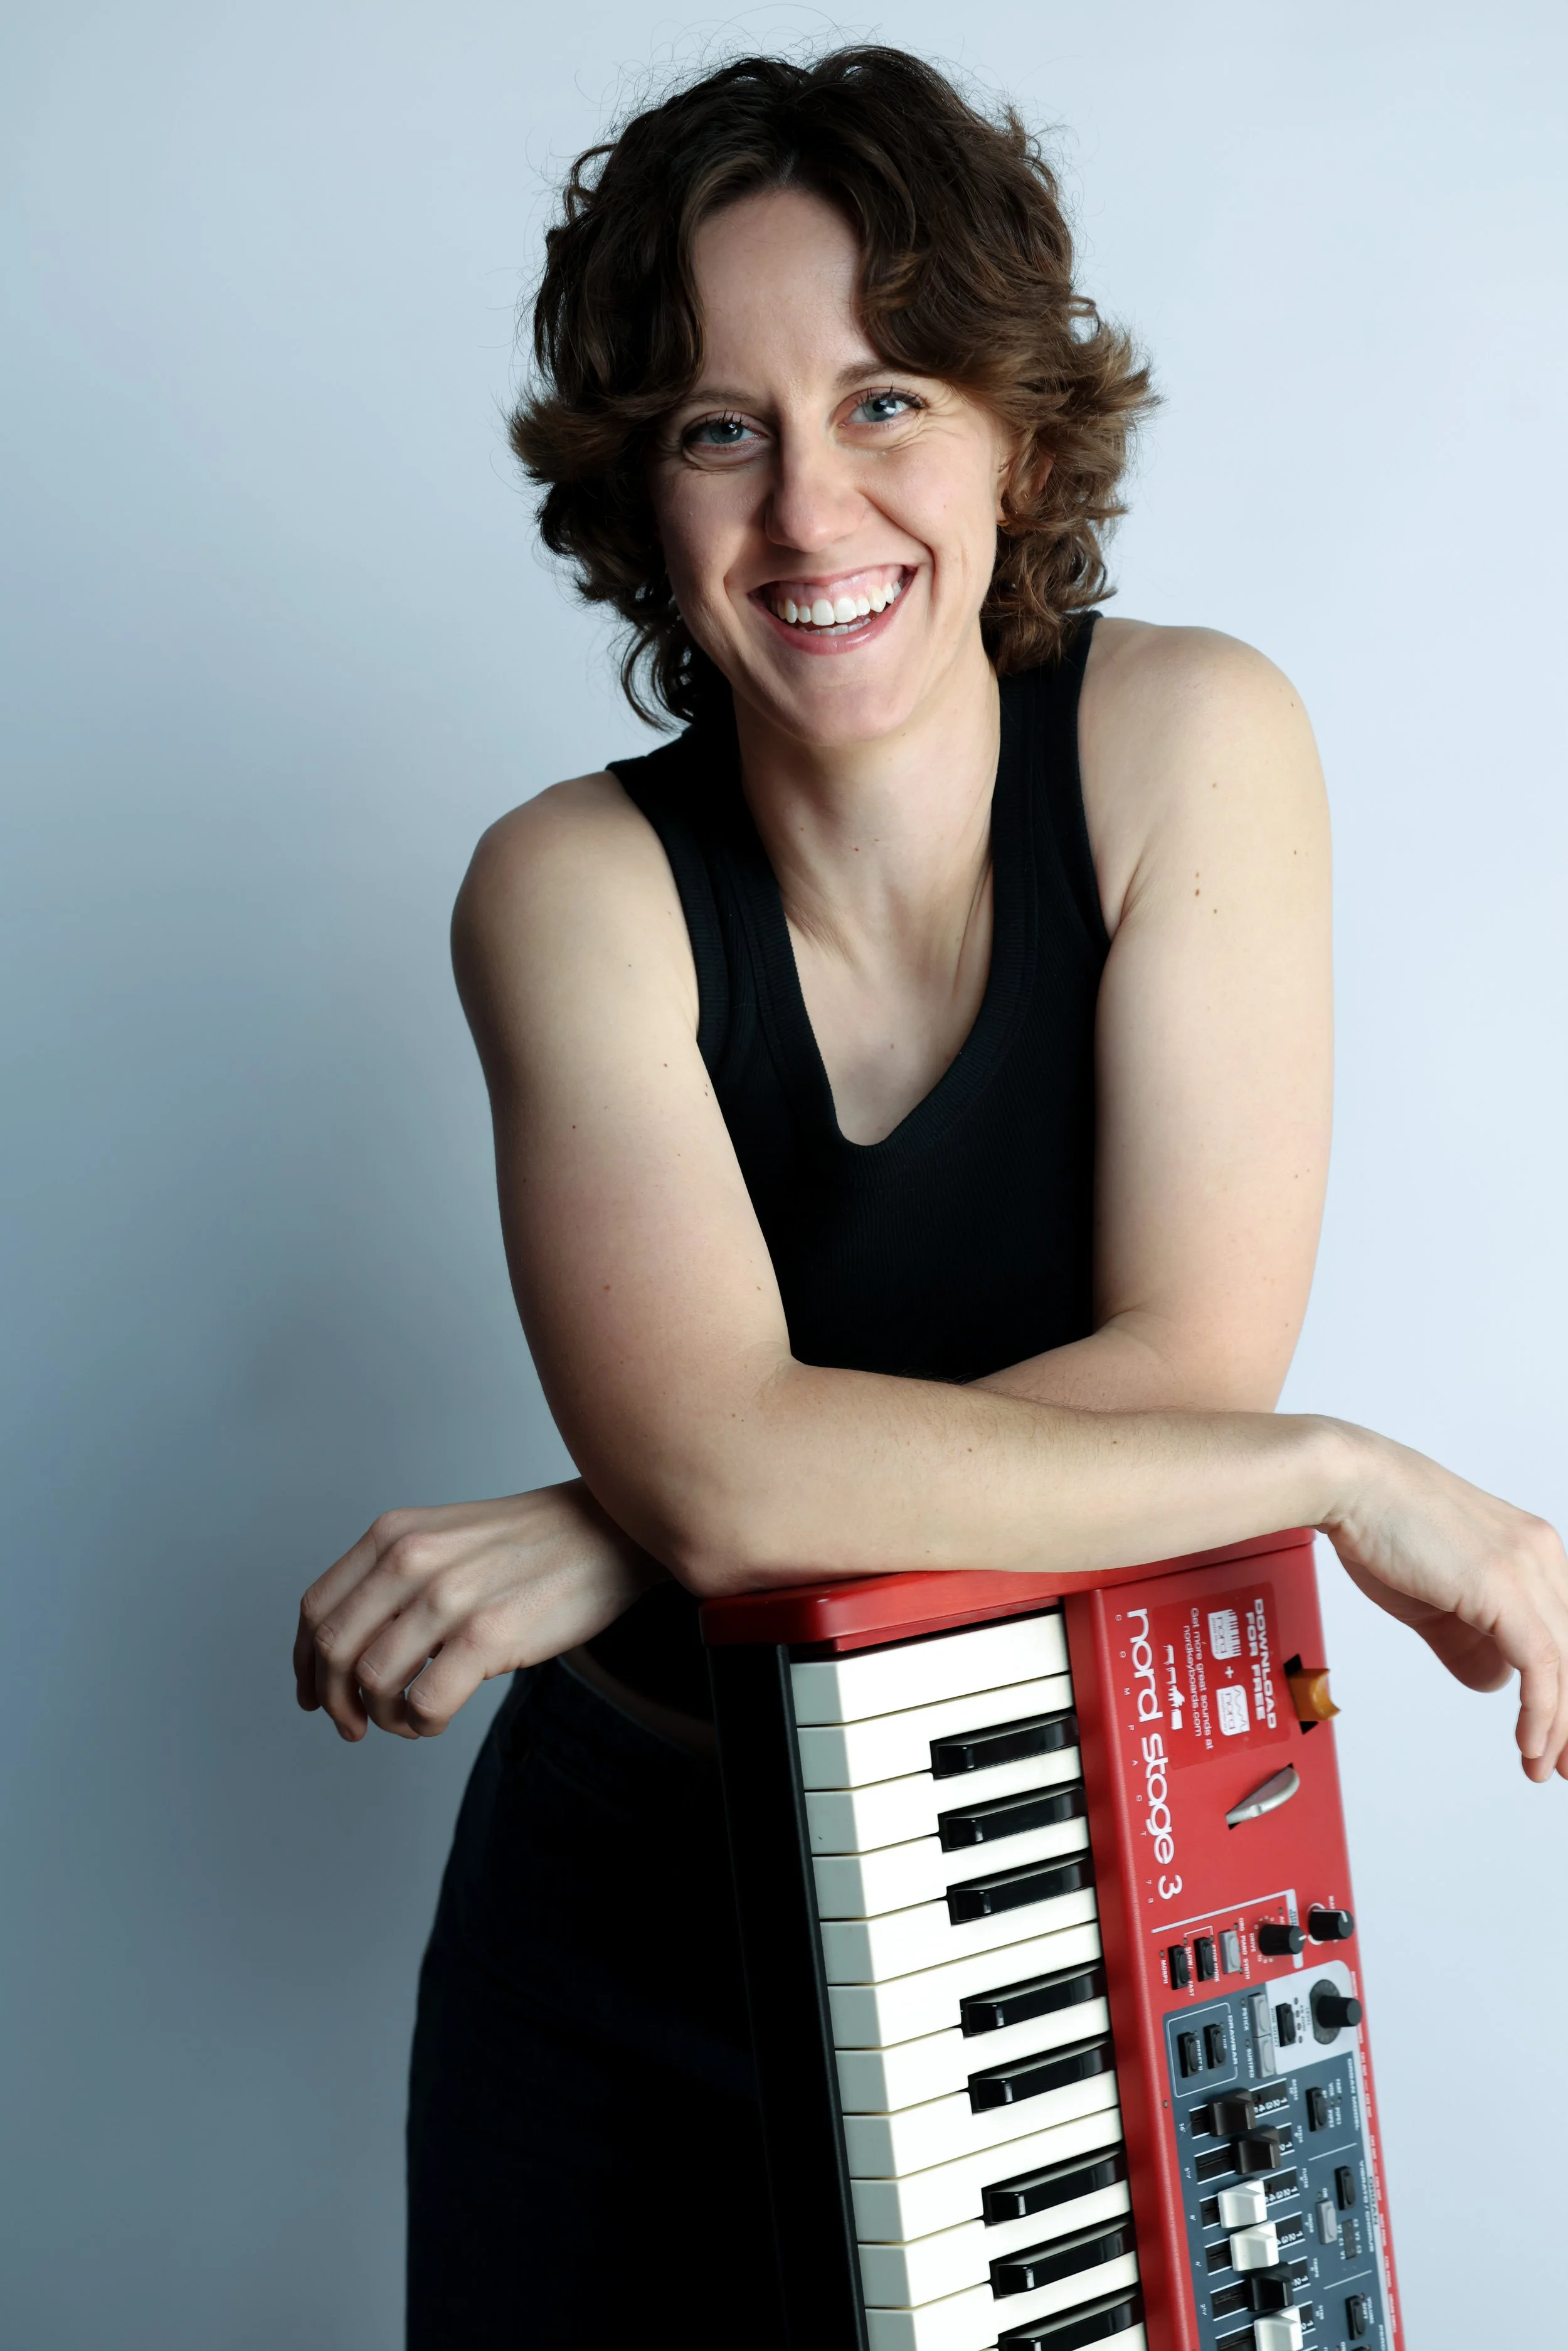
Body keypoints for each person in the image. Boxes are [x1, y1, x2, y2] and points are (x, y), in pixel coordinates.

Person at [290, 46, 1568, 2350]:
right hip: (629, 1897)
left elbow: (1178, 1357)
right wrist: (1338, 1478)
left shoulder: (1191, 741)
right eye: (716, 425)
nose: (809, 508)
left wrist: (639, 1520)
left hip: (1065, 1841)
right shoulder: (566, 887)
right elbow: (789, 1452)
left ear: (1013, 432)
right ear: (635, 491)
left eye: (884, 398)